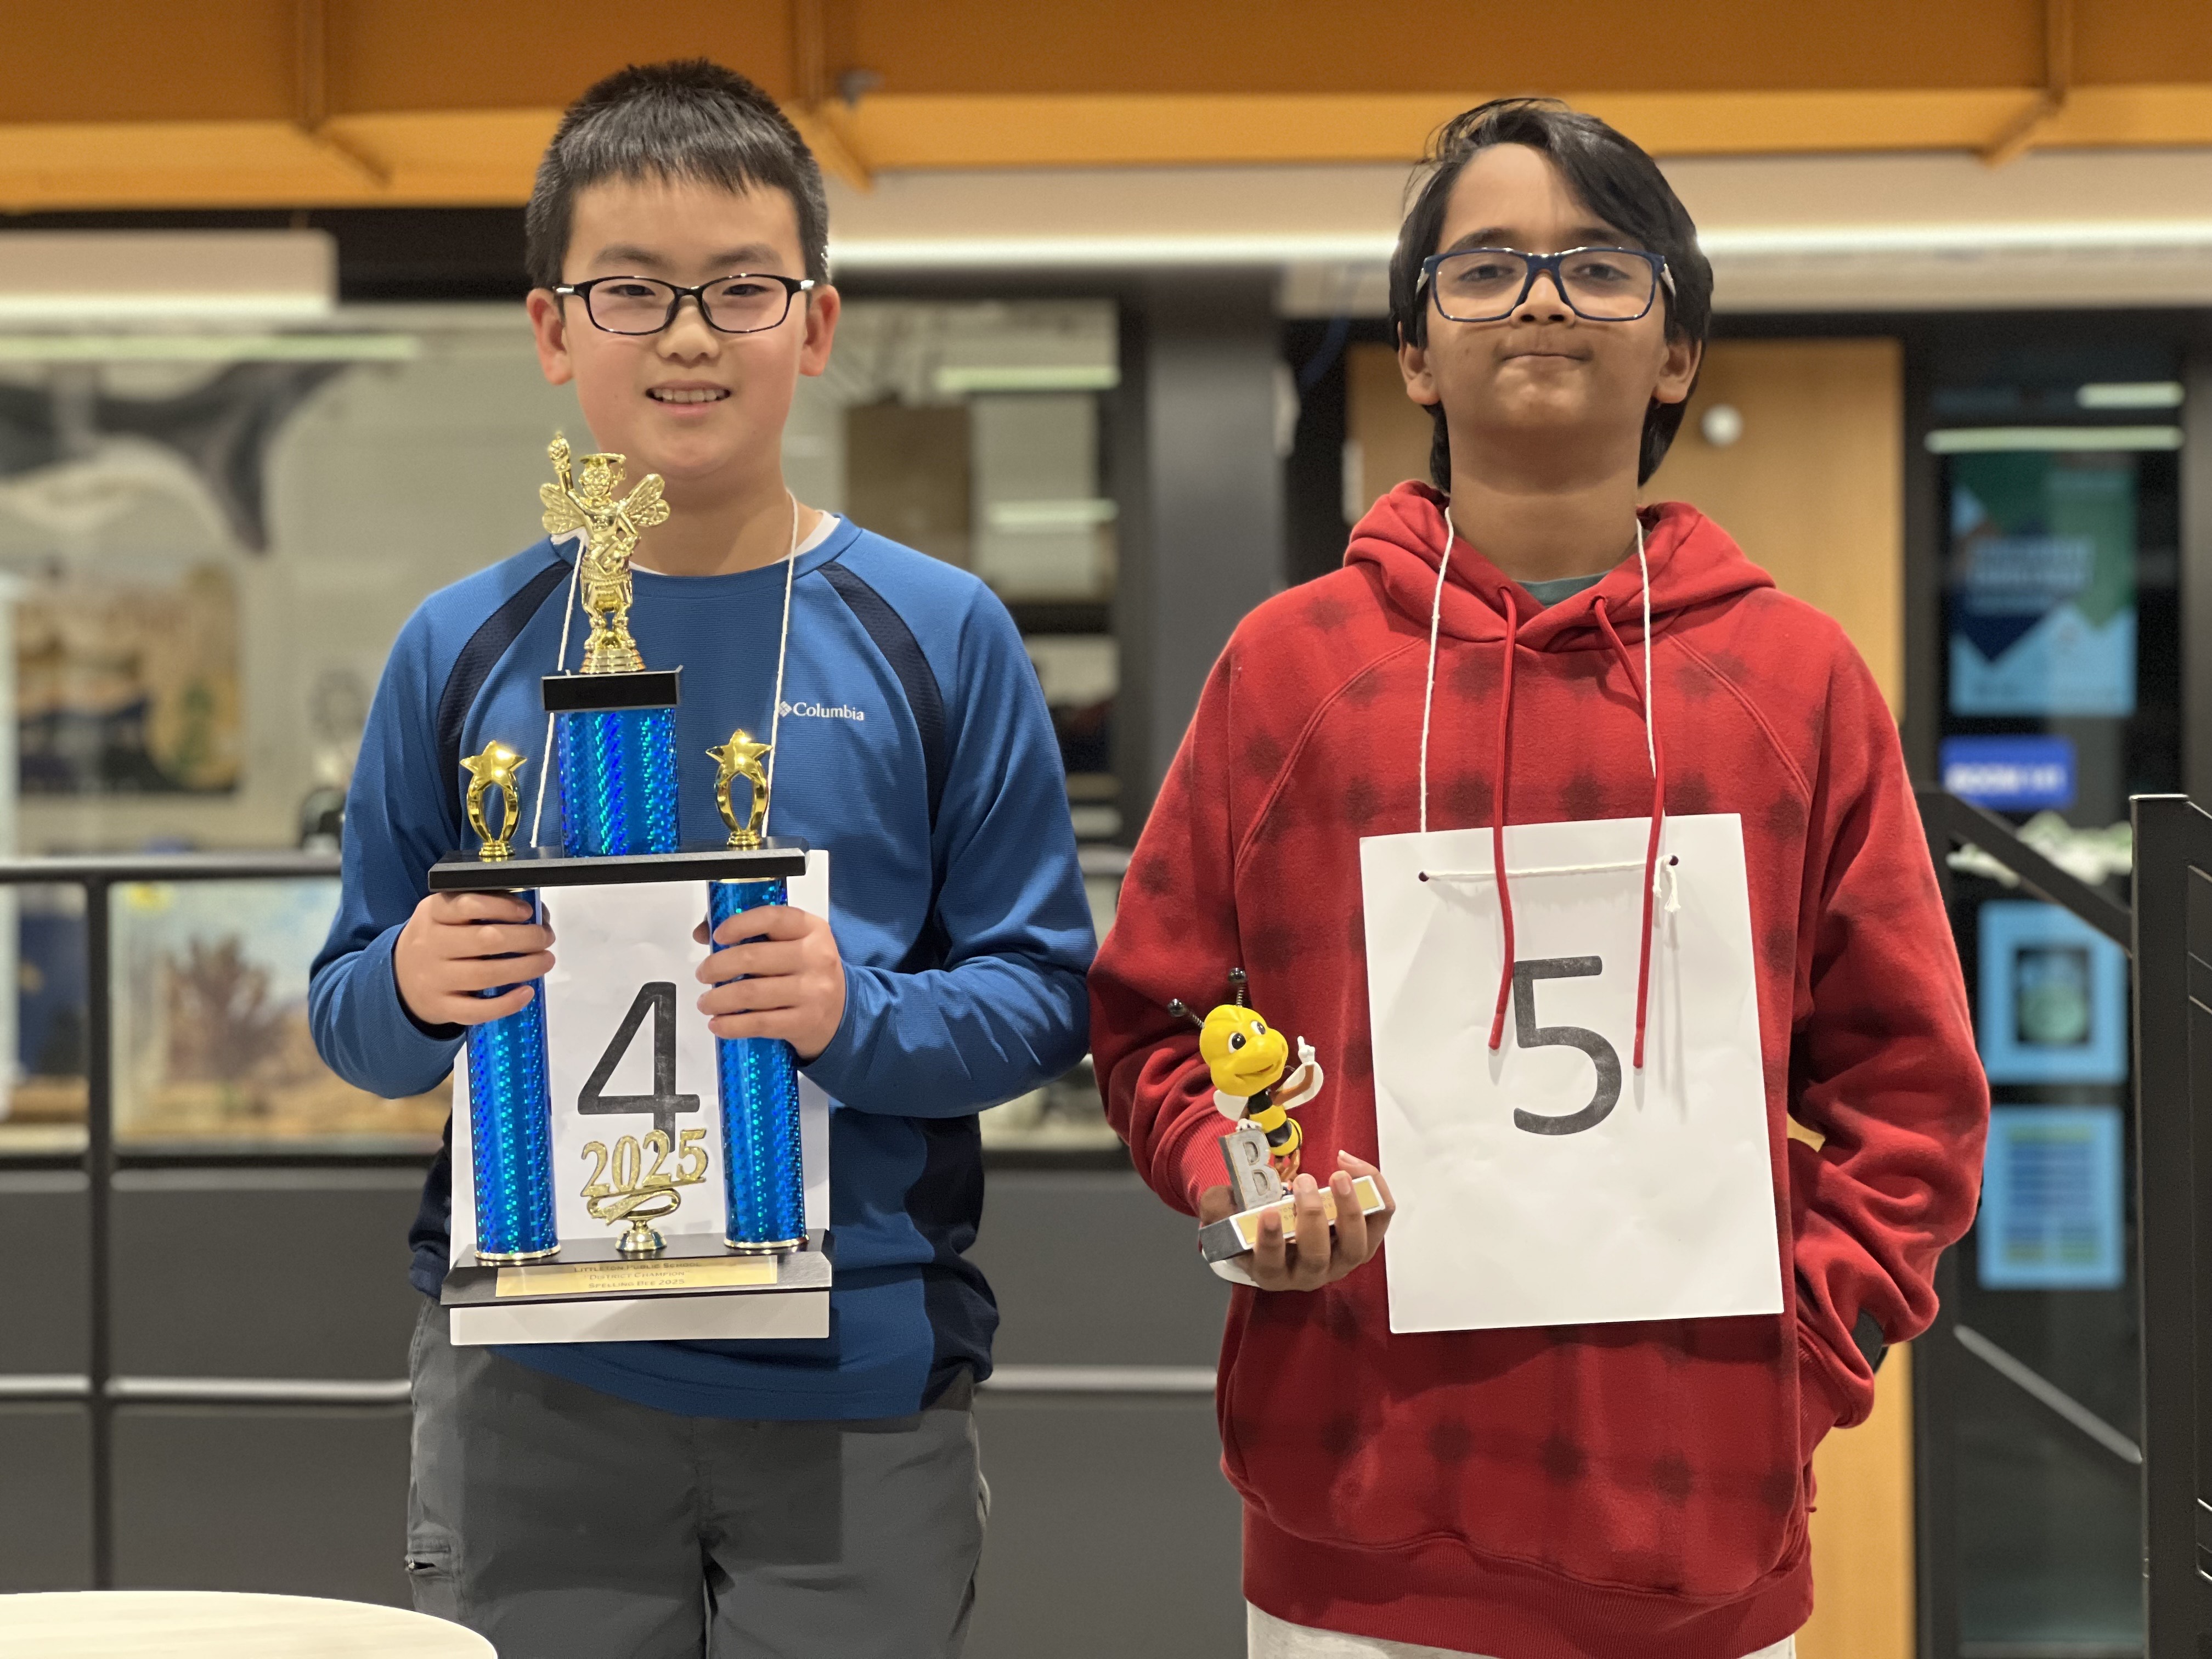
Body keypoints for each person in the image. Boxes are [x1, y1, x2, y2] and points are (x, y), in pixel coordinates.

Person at [1090, 98, 1987, 1659]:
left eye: (1599, 264)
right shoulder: (1291, 669)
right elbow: (1153, 1022)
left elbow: (1912, 1096)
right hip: (1349, 1535)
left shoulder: (1797, 680)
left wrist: (1805, 1354)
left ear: (1679, 348)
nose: (1546, 297)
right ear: (1418, 353)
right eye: (1487, 266)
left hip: (1698, 1543)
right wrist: (1240, 1182)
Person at [308, 60, 1094, 1659]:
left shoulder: (940, 633)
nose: (686, 333)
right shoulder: (456, 647)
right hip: (536, 1370)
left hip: (858, 1365)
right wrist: (411, 979)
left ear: (814, 324)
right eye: (632, 290)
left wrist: (850, 1010)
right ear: (551, 329)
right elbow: (347, 1009)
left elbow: (1042, 994)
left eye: (740, 289)